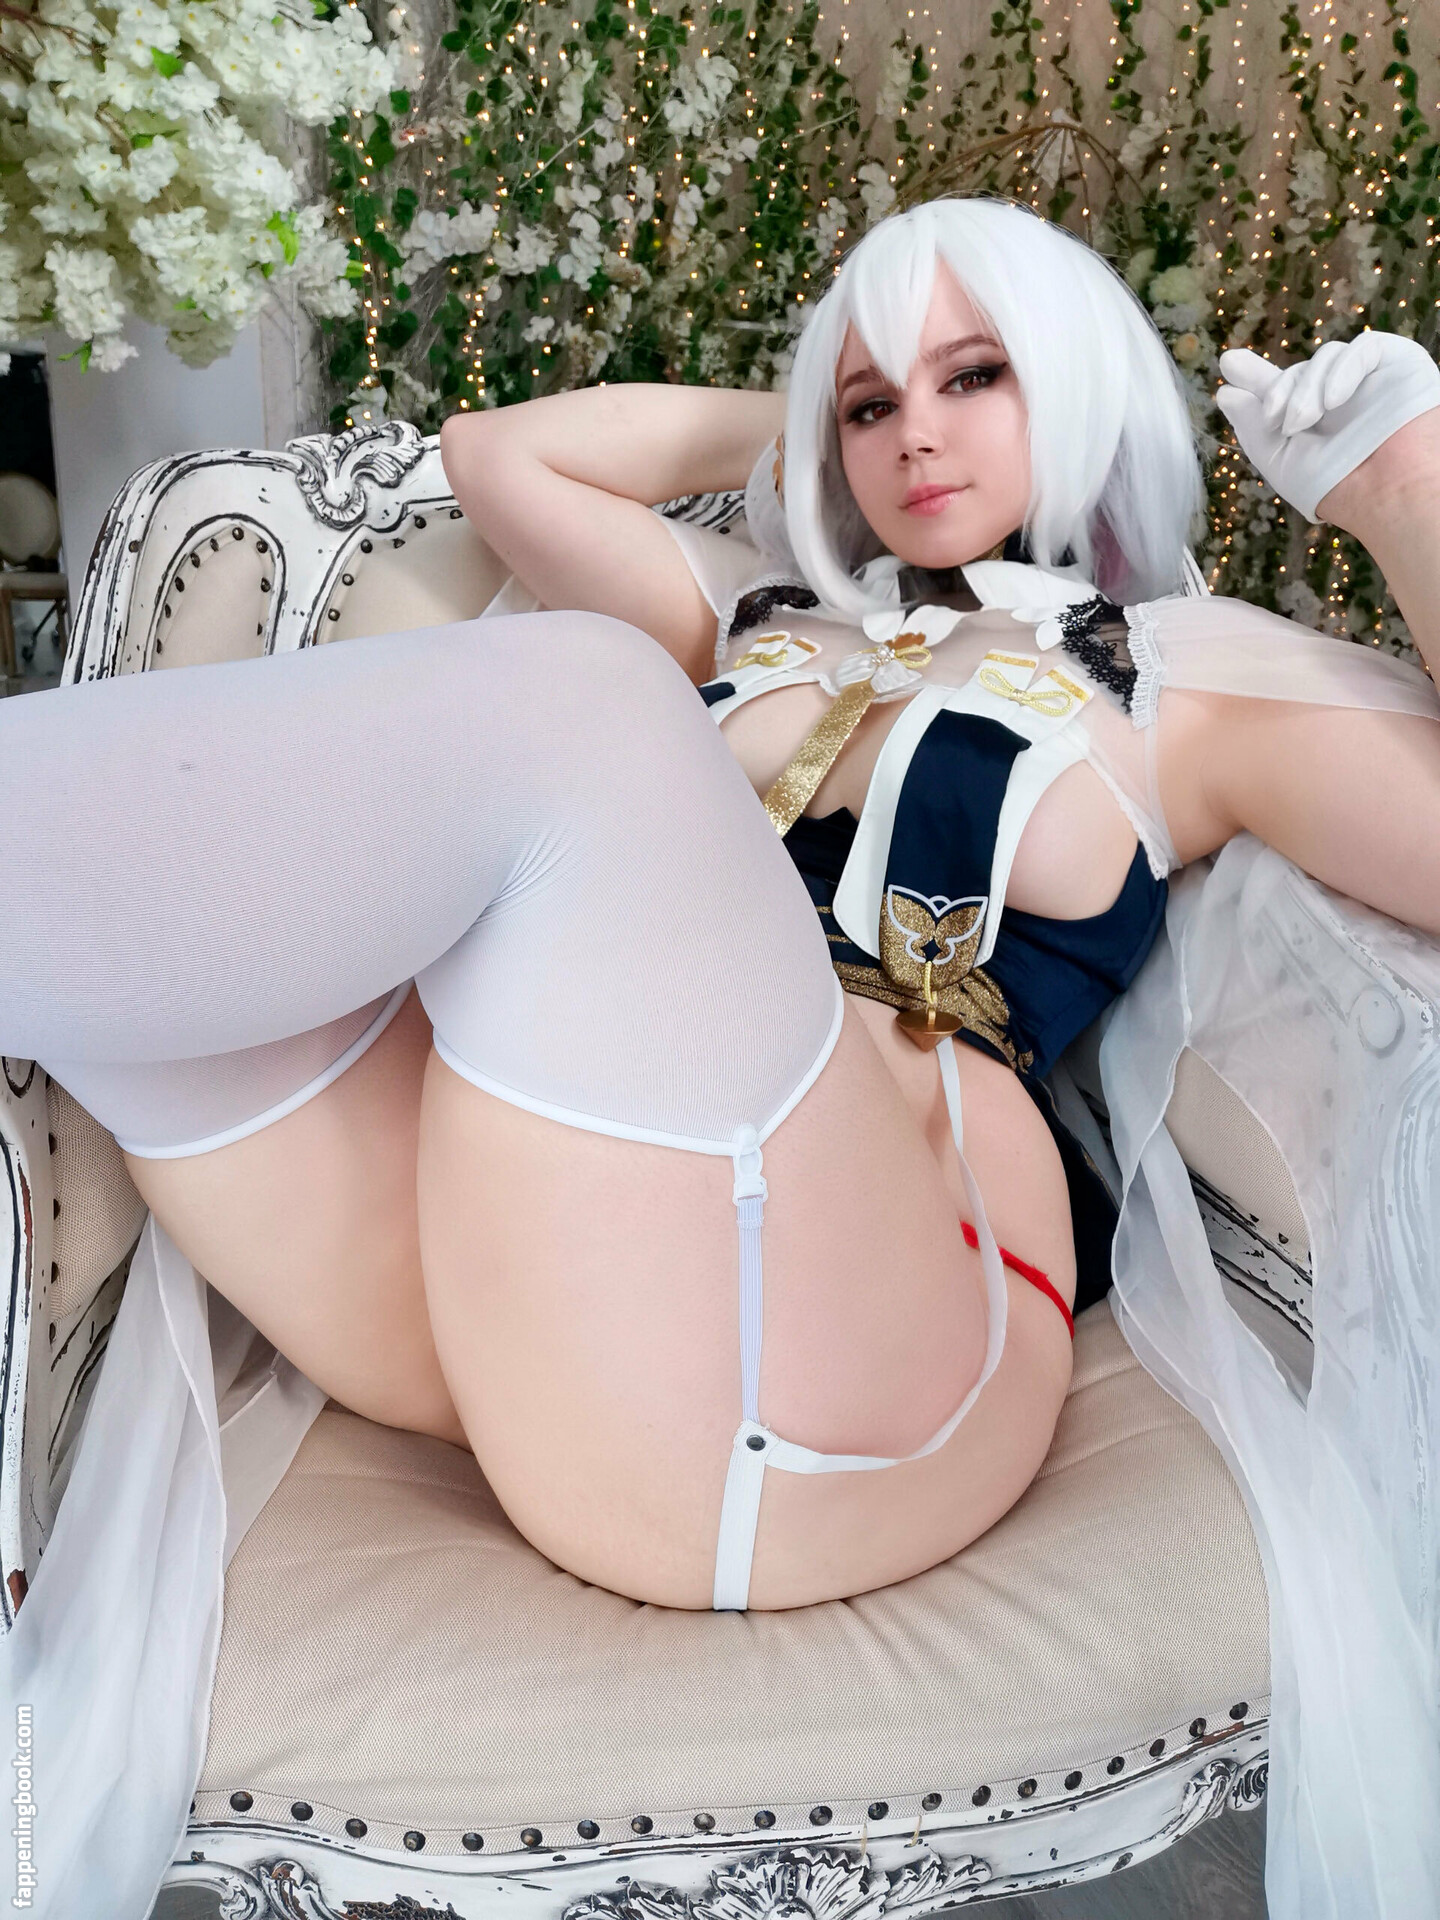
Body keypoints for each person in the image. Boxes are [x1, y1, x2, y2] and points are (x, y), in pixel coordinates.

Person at [1, 194, 1438, 1915]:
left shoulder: (1180, 683)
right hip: (533, 1318)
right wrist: (808, 416)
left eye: (977, 376)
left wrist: (1402, 488)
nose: (915, 433)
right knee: (158, 1002)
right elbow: (502, 457)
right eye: (874, 399)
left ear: (1081, 382)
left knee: (582, 694)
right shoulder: (760, 618)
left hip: (878, 1338)